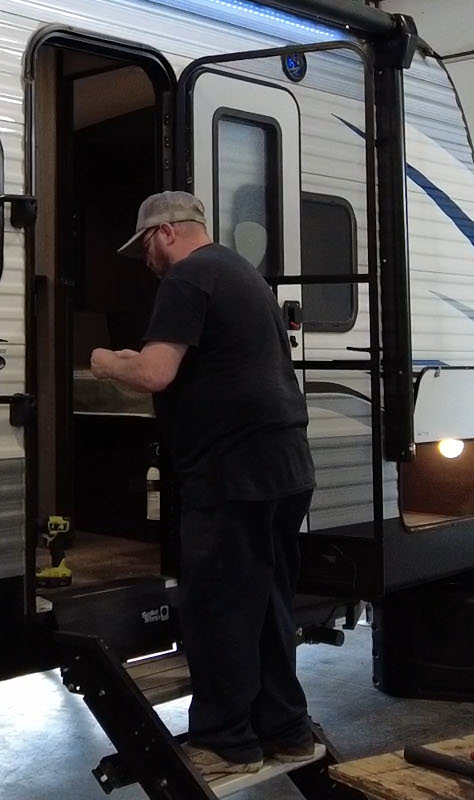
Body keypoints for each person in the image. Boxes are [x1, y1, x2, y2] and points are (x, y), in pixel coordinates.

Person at [88, 190, 316, 784]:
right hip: (285, 465)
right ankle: (285, 730)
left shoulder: (190, 277)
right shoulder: (245, 276)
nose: (146, 262)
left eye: (144, 248)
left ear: (165, 233)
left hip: (231, 471)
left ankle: (225, 741)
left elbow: (155, 373)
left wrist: (106, 361)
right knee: (267, 602)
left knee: (219, 608)